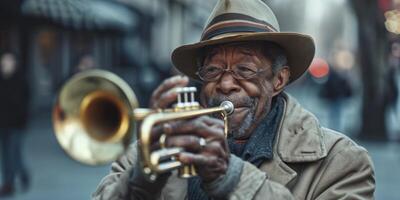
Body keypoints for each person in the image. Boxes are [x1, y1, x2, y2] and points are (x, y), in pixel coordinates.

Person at [92, 0, 375, 199]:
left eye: (245, 70)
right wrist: (142, 179)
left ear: (278, 80)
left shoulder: (341, 161)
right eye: (213, 70)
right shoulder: (151, 152)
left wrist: (231, 178)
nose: (225, 84)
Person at [0, 52, 31, 196]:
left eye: (8, 61)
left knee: (12, 154)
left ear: (15, 63)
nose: (5, 63)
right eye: (3, 61)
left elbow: (23, 103)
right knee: (8, 155)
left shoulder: (20, 80)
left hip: (17, 125)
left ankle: (8, 185)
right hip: (3, 124)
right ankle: (23, 175)